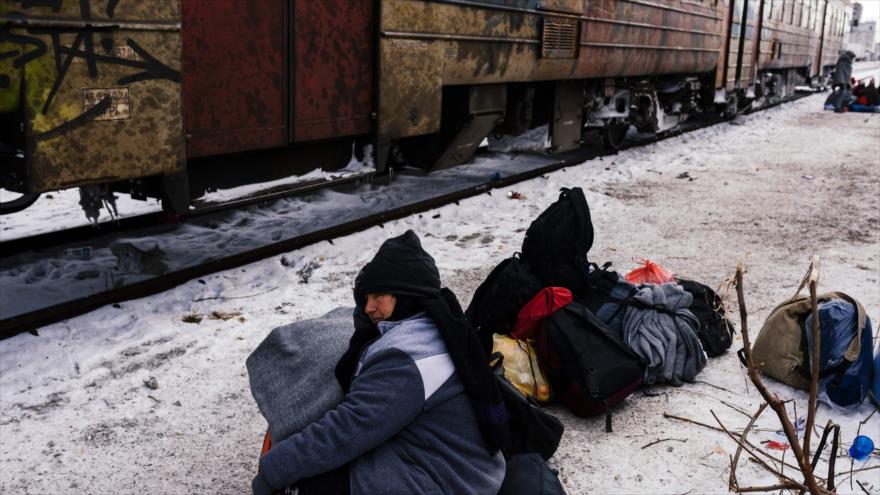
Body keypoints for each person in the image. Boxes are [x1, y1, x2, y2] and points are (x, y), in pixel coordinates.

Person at [252, 230, 508, 495]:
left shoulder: (406, 358)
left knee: (302, 486)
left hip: (448, 480)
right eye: (366, 298)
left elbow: (347, 429)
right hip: (463, 465)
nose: (368, 308)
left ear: (407, 293)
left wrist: (272, 473)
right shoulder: (436, 327)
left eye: (379, 296)